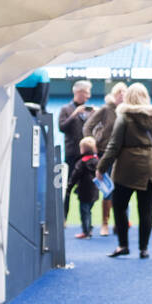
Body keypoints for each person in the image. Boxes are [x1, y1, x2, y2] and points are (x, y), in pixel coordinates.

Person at [97, 83, 152, 259]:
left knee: (119, 206)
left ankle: (123, 245)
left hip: (127, 168)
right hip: (150, 167)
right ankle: (144, 249)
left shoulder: (124, 117)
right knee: (146, 211)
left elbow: (113, 146)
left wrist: (101, 167)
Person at [83, 81, 127, 235]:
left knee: (123, 189)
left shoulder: (127, 111)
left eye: (124, 94)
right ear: (114, 95)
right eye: (119, 94)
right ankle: (105, 223)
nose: (122, 97)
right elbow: (87, 126)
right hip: (105, 153)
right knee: (107, 190)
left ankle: (121, 222)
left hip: (122, 154)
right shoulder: (106, 110)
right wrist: (92, 143)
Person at [58, 80, 95, 217]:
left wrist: (95, 115)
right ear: (79, 92)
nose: (89, 96)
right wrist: (75, 114)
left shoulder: (89, 111)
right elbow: (62, 128)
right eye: (86, 92)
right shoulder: (66, 109)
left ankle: (86, 224)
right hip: (72, 155)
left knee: (88, 189)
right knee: (67, 187)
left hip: (88, 157)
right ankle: (63, 219)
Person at [65, 136, 100, 238]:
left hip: (84, 191)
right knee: (89, 210)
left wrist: (69, 188)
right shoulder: (97, 161)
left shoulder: (81, 162)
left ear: (82, 149)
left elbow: (74, 176)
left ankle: (86, 231)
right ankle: (89, 228)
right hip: (94, 191)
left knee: (84, 212)